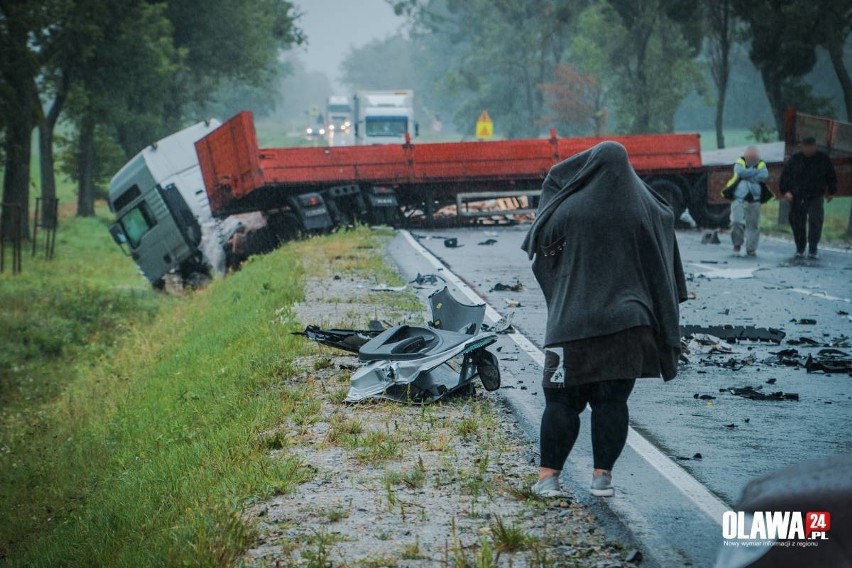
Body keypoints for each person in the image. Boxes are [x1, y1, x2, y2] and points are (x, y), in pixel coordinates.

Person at [521, 142, 687, 498]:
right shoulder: (645, 208)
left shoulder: (567, 209)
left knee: (562, 402)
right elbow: (665, 251)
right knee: (612, 402)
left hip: (572, 325)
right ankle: (602, 479)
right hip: (629, 325)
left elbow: (541, 255)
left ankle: (548, 479)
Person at [780, 137, 837, 259]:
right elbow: (785, 176)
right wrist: (786, 191)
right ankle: (800, 248)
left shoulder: (823, 159)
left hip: (816, 195)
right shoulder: (795, 159)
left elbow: (831, 175)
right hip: (798, 195)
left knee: (815, 220)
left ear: (815, 146)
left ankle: (813, 248)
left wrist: (831, 191)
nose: (808, 150)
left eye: (811, 147)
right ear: (802, 147)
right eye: (806, 147)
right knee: (797, 222)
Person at [725, 146, 769, 256]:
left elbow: (763, 175)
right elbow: (740, 172)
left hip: (755, 199)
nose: (751, 158)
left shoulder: (761, 164)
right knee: (736, 222)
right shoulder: (740, 161)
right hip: (738, 198)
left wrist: (747, 174)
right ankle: (737, 244)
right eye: (749, 156)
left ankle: (751, 249)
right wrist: (754, 172)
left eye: (753, 156)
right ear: (745, 155)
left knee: (753, 225)